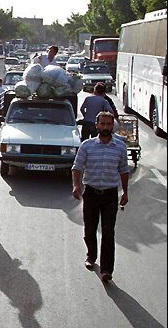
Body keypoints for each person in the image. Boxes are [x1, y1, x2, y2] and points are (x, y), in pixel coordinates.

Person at [71, 111, 129, 282]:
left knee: (108, 232)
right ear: (97, 125)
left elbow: (124, 170)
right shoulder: (87, 146)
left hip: (110, 194)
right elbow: (77, 167)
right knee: (89, 230)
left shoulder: (120, 147)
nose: (105, 127)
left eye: (108, 124)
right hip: (91, 193)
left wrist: (125, 191)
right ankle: (91, 256)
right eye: (102, 124)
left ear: (113, 126)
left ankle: (106, 270)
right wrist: (76, 185)